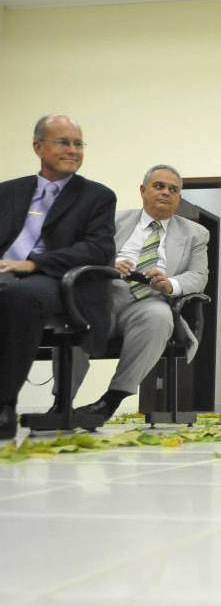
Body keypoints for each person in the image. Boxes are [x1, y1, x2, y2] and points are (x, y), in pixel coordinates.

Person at [0, 114, 116, 440]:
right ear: (38, 147)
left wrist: (35, 264)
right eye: (63, 142)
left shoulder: (97, 196)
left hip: (54, 281)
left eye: (78, 144)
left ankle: (4, 406)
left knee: (20, 297)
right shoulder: (7, 192)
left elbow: (97, 249)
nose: (73, 150)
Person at [68, 165, 210, 420]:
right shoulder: (112, 221)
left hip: (150, 300)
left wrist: (171, 284)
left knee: (159, 316)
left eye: (173, 189)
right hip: (104, 295)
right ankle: (62, 401)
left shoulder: (195, 233)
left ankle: (110, 401)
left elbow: (199, 276)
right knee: (75, 316)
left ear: (179, 197)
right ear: (143, 191)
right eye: (159, 186)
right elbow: (82, 254)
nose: (166, 192)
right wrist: (107, 266)